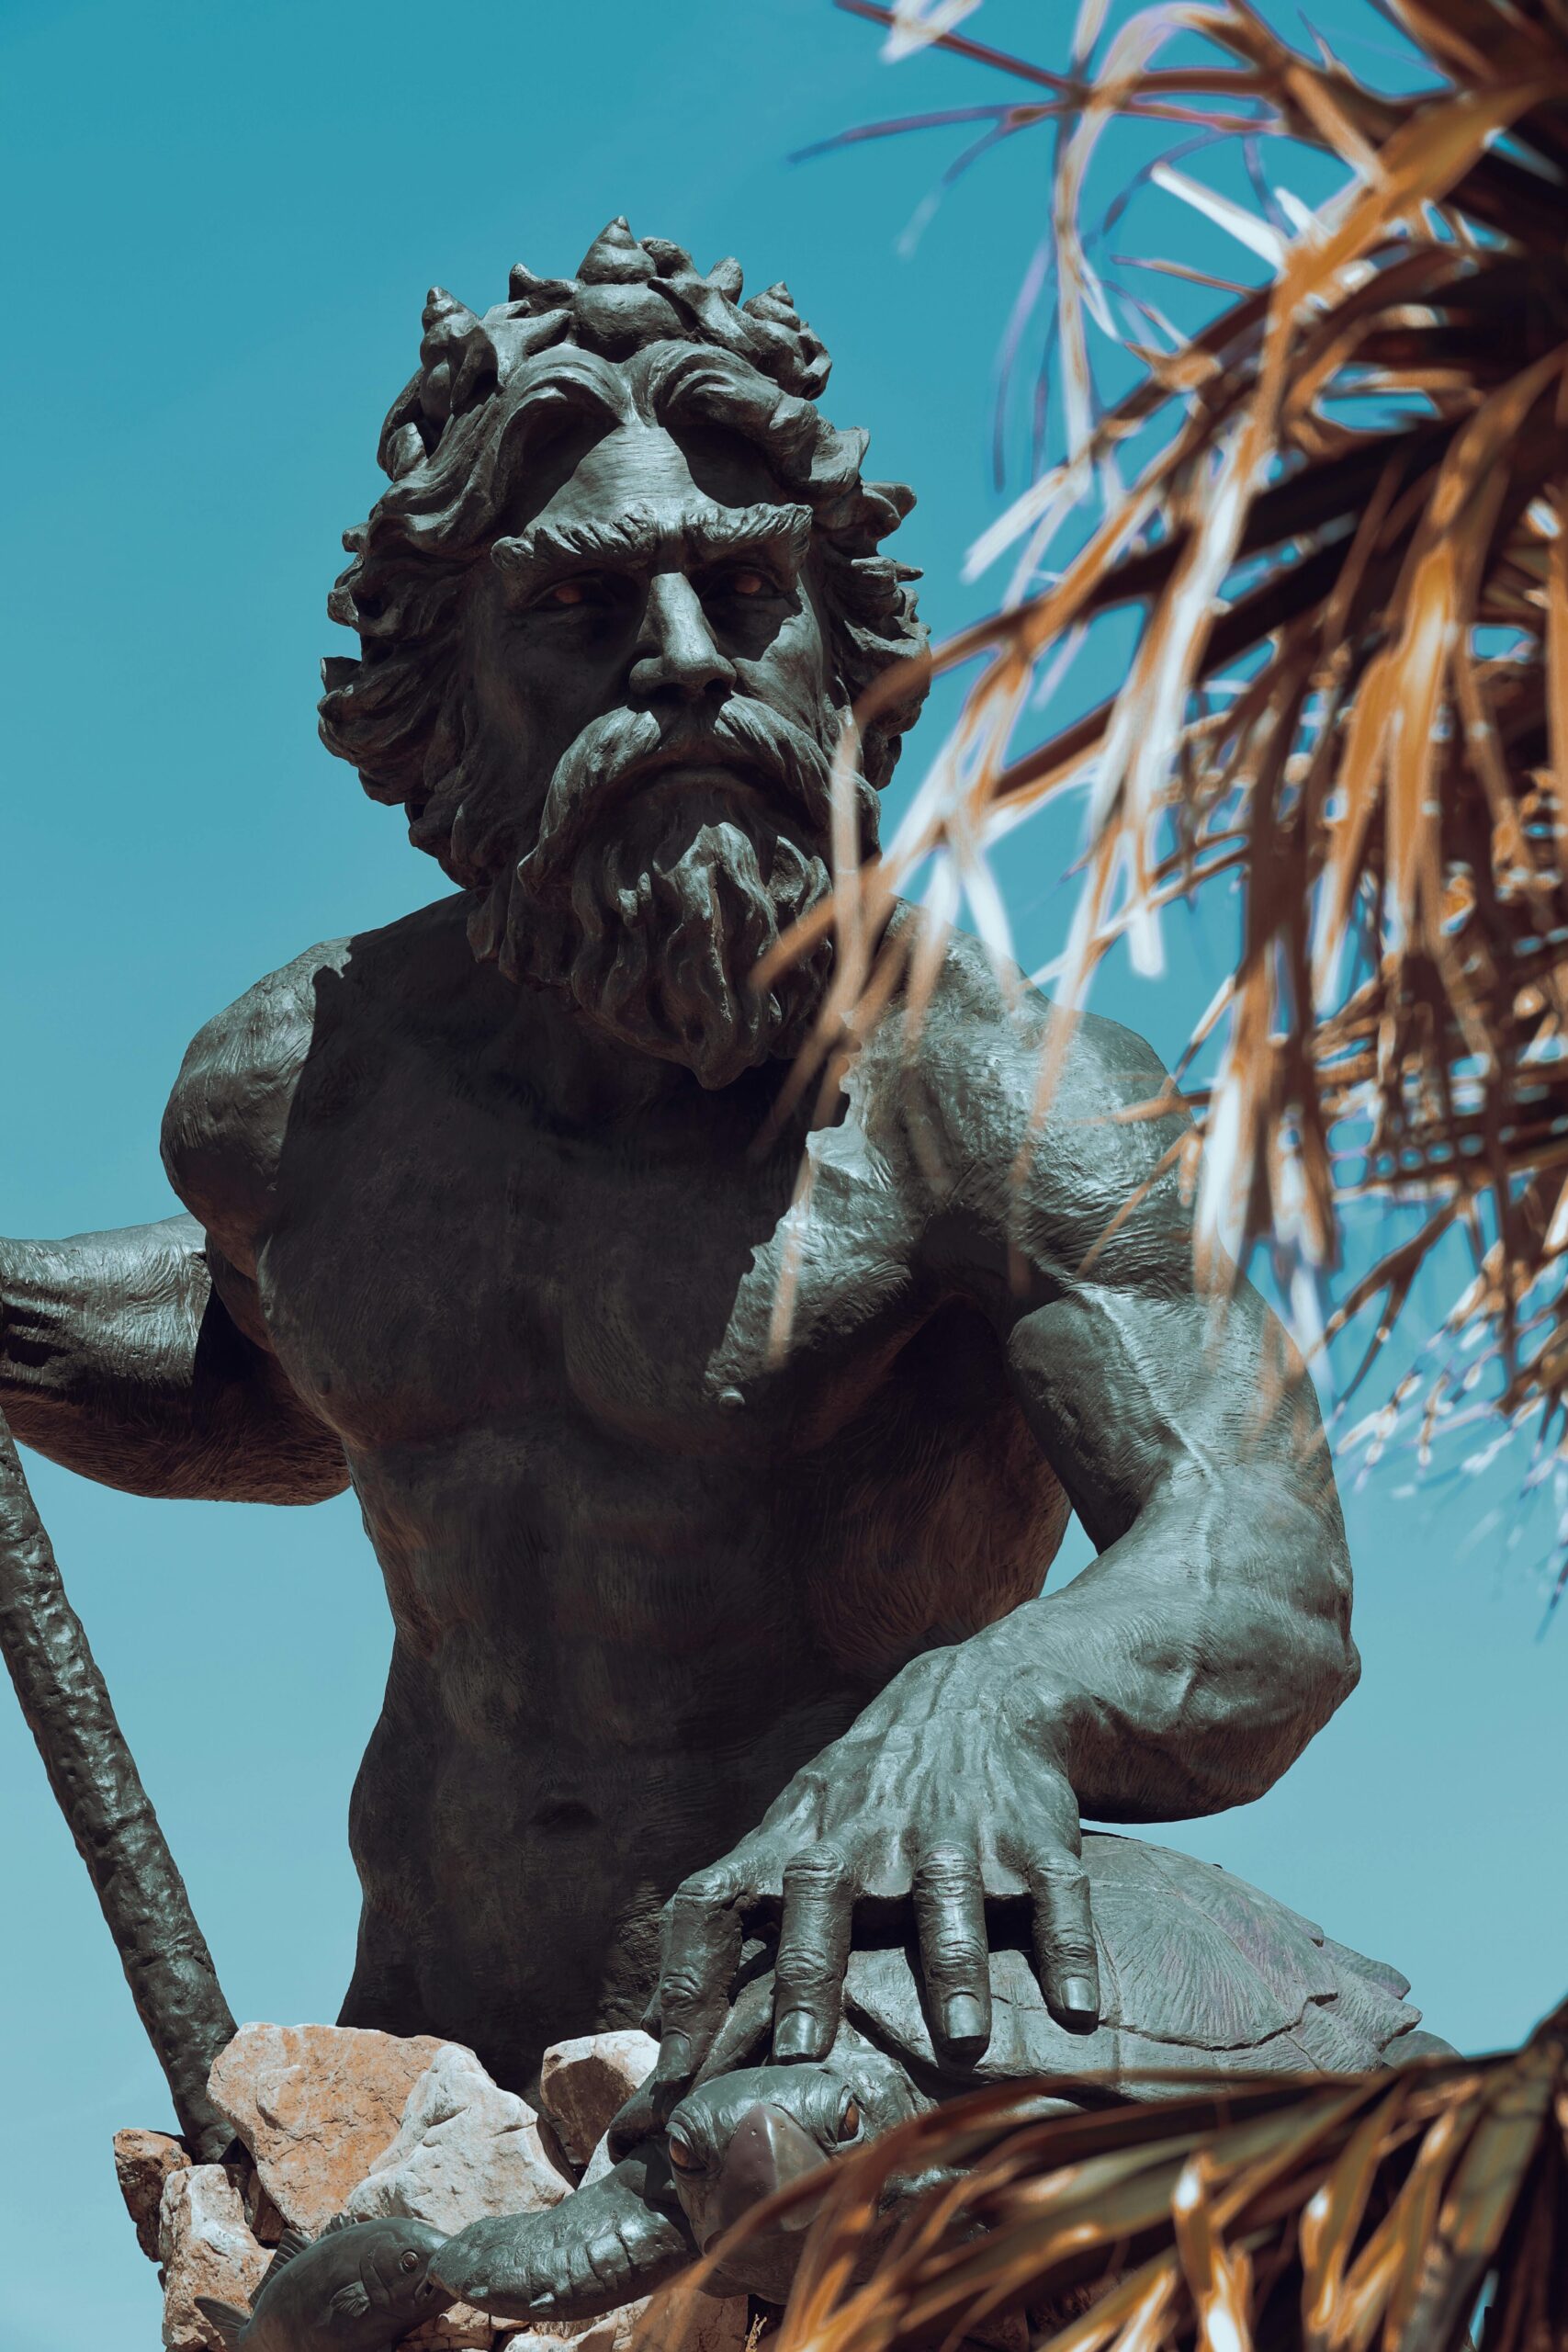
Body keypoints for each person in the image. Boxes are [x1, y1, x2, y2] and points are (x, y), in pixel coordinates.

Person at [0, 222, 1356, 2125]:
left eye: (744, 590)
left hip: (834, 2072)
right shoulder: (293, 1089)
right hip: (428, 2071)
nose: (688, 664)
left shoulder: (992, 1101)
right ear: (438, 686)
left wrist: (998, 1698)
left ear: (845, 650)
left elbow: (1262, 1567)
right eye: (582, 611)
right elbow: (270, 1370)